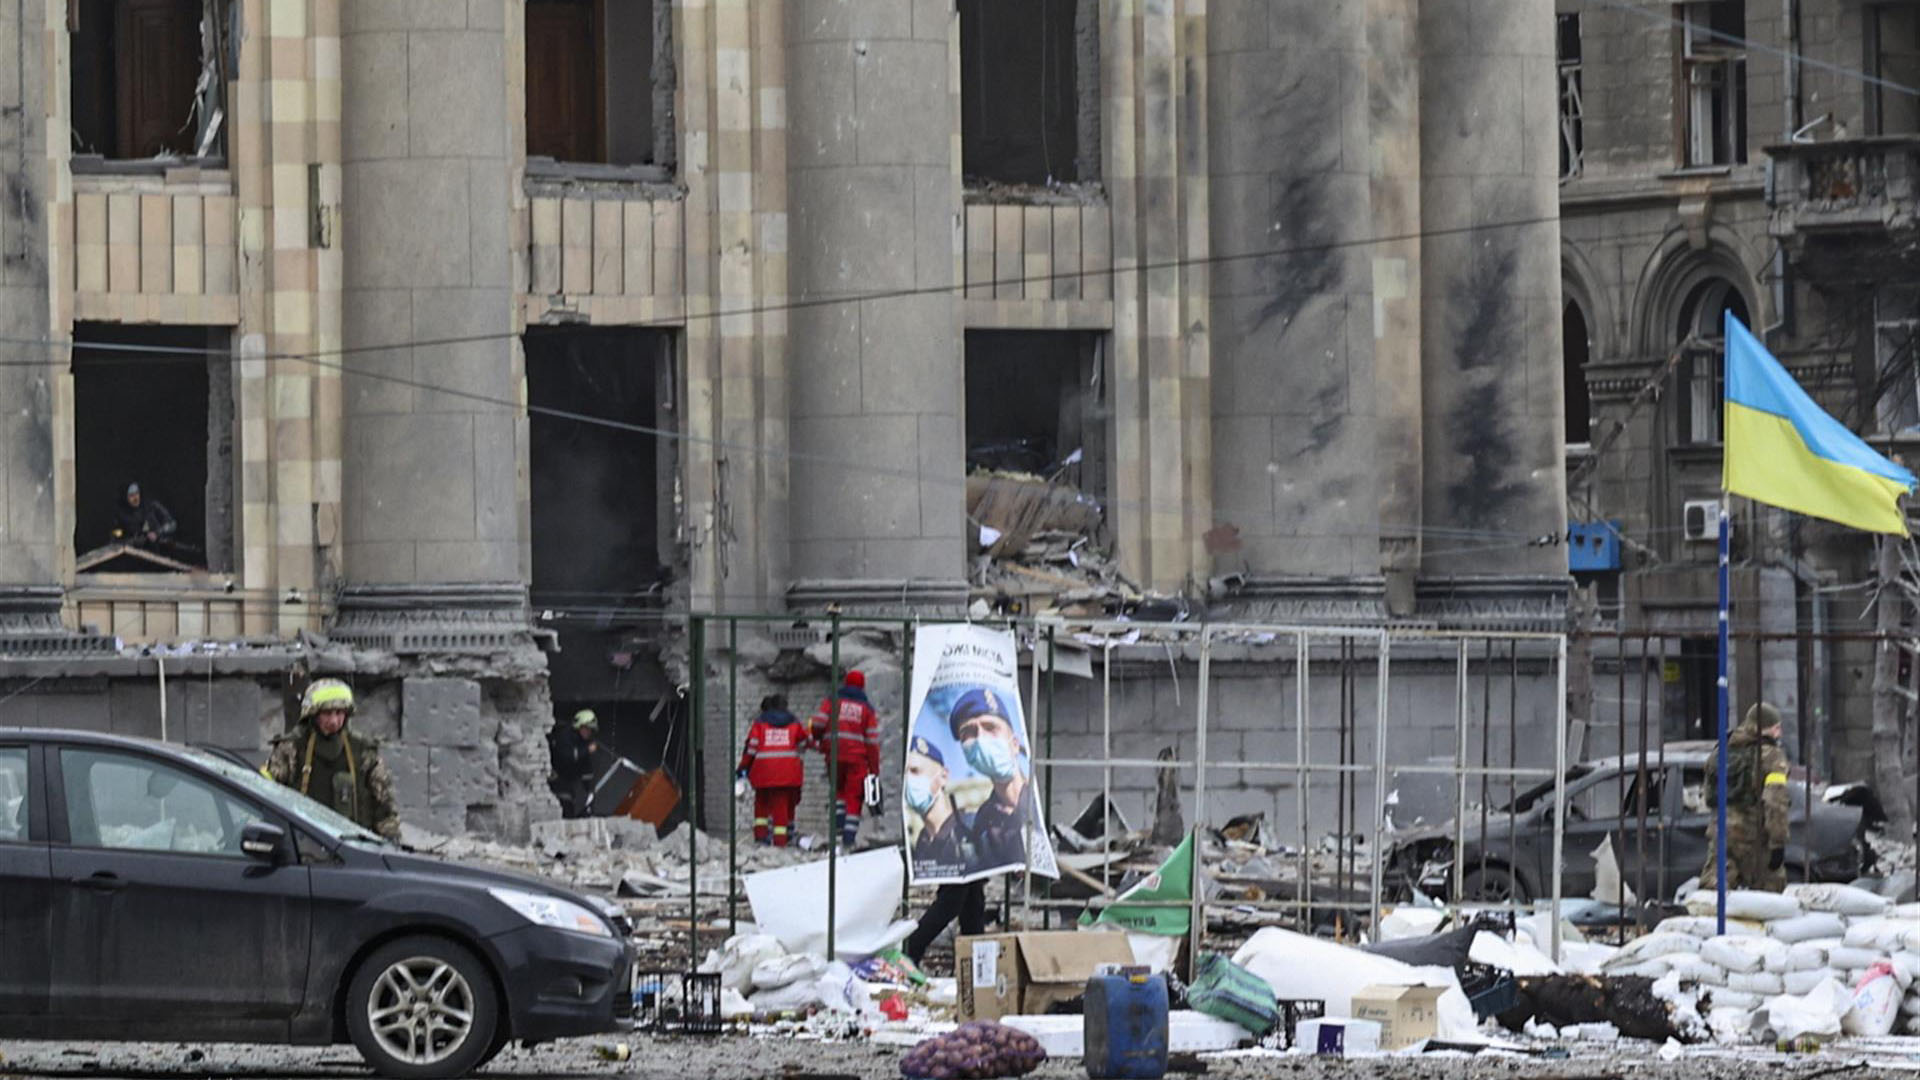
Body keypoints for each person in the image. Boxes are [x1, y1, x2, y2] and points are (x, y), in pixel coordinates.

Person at [265, 679, 401, 841]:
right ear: (313, 714)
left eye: (339, 713)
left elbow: (384, 807)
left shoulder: (363, 751)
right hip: (304, 847)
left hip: (355, 847)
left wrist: (392, 843)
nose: (334, 721)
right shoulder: (291, 749)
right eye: (327, 714)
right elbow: (267, 796)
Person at [1699, 701, 1792, 892]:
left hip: (1721, 833)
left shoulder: (1721, 751)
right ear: (1763, 729)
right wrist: (1778, 842)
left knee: (1715, 894)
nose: (1779, 734)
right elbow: (1776, 802)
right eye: (1776, 728)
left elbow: (1709, 795)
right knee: (1769, 898)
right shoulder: (1772, 756)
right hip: (1754, 837)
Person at [949, 688, 1032, 873]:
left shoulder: (1038, 800)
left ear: (1015, 744)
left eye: (990, 728)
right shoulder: (984, 819)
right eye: (969, 732)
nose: (981, 738)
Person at [809, 670, 881, 848]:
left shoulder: (832, 701)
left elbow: (817, 723)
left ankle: (838, 831)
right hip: (857, 758)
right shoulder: (867, 709)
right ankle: (849, 839)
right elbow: (872, 741)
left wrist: (819, 737)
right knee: (854, 797)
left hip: (833, 755)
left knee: (838, 793)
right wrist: (874, 769)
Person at [737, 695, 806, 846]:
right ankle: (780, 842)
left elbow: (751, 748)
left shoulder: (760, 724)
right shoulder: (794, 723)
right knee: (781, 806)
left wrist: (742, 767)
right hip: (787, 773)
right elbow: (803, 743)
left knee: (761, 803)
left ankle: (761, 838)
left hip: (763, 771)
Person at [905, 735, 970, 867]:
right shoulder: (921, 844)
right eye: (904, 775)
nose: (908, 781)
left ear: (943, 776)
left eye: (915, 771)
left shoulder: (971, 828)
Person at [548, 709, 601, 819]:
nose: (589, 733)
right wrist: (586, 750)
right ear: (579, 726)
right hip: (557, 778)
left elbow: (586, 766)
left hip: (570, 781)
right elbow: (566, 756)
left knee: (574, 810)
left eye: (591, 730)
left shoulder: (584, 742)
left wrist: (590, 789)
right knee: (565, 807)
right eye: (587, 729)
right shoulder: (564, 736)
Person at [113, 482, 177, 549]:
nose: (135, 498)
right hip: (137, 552)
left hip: (161, 549)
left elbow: (172, 523)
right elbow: (117, 533)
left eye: (137, 493)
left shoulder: (152, 506)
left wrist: (157, 533)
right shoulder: (122, 514)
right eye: (131, 495)